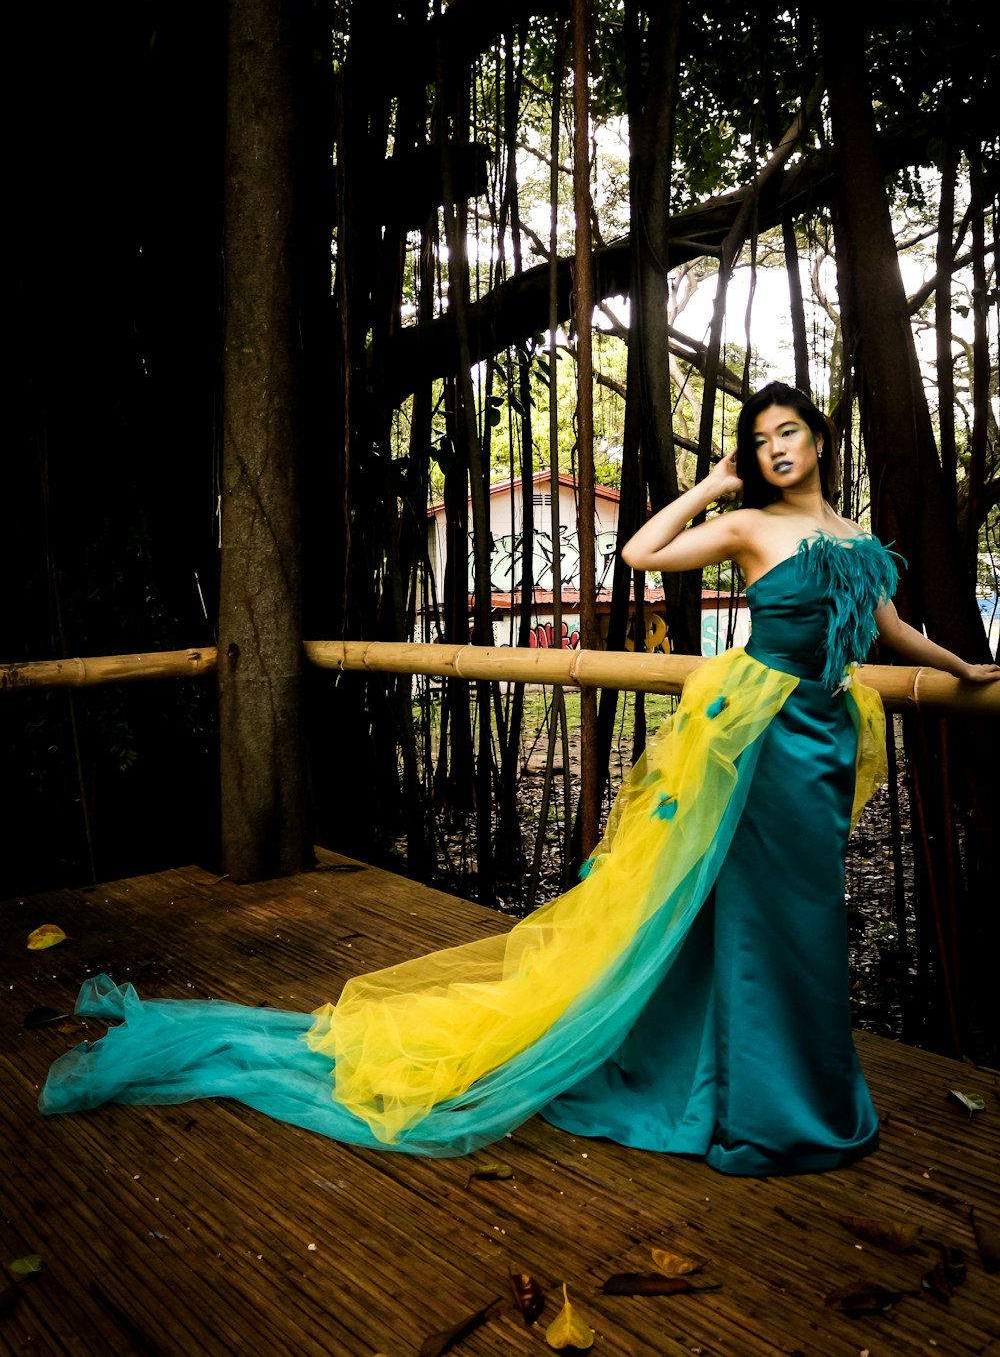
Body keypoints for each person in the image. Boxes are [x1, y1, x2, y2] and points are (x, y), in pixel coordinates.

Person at [40, 383, 998, 1175]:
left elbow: (888, 632)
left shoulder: (855, 535)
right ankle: (763, 1114)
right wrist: (709, 483)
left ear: (821, 439)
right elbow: (640, 553)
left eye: (790, 431)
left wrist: (960, 668)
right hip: (753, 736)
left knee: (808, 919)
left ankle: (806, 1093)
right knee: (748, 921)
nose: (778, 447)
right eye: (761, 438)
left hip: (825, 741)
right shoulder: (746, 524)